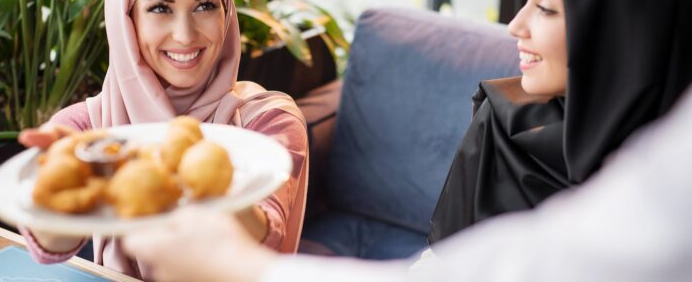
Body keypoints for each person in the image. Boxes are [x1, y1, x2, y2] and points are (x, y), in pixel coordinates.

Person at [122, 84, 692, 282]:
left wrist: (242, 266)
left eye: (545, 6)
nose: (514, 26)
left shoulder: (264, 119)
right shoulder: (500, 114)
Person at [17, 0, 308, 279]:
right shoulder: (86, 131)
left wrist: (206, 178)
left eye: (205, 6)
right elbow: (48, 248)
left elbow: (268, 237)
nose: (185, 35)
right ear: (128, 22)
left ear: (227, 13)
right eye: (160, 8)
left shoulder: (268, 121)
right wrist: (62, 182)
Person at [428, 0, 692, 242]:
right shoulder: (502, 124)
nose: (515, 26)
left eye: (545, 7)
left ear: (620, 30)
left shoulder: (676, 164)